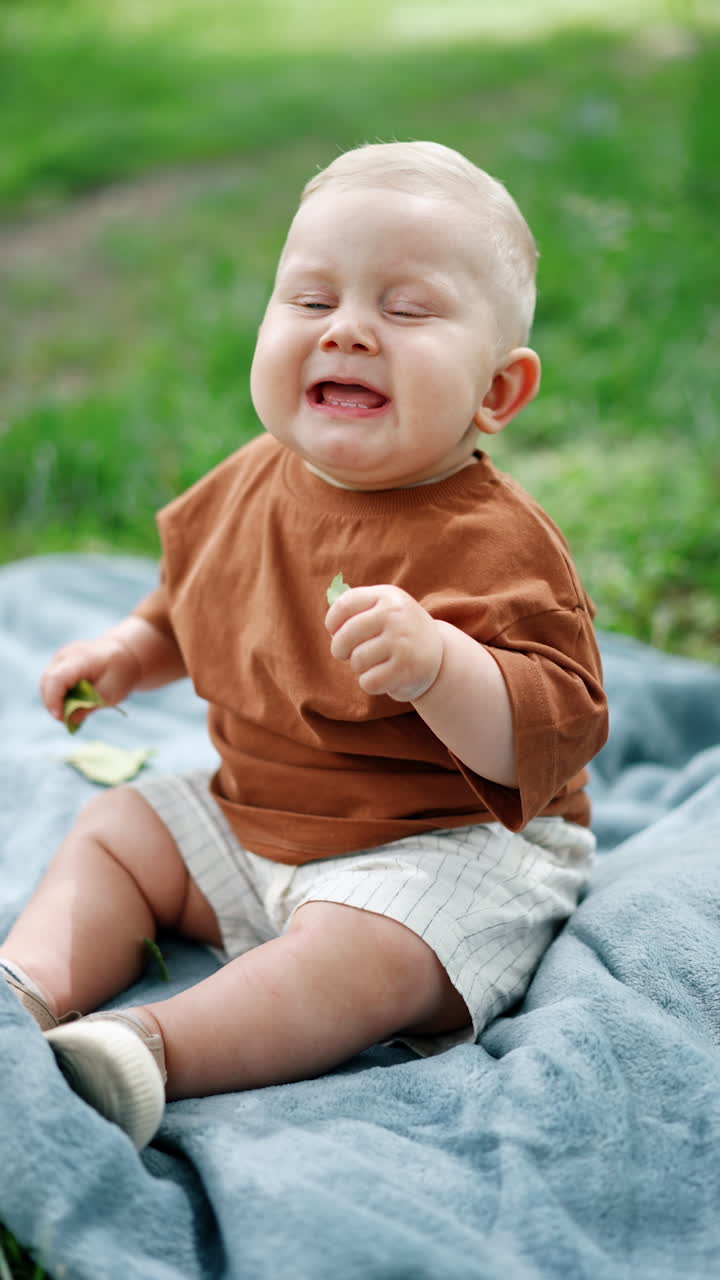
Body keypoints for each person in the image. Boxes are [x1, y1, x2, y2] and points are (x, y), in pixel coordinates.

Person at [1, 141, 608, 1150]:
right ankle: (26, 986)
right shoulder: (249, 480)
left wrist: (440, 668)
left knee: (371, 951)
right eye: (312, 299)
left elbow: (553, 737)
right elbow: (185, 607)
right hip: (256, 820)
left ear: (498, 392)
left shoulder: (498, 544)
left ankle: (149, 1047)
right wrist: (127, 652)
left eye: (406, 310)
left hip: (439, 844)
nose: (352, 331)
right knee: (121, 827)